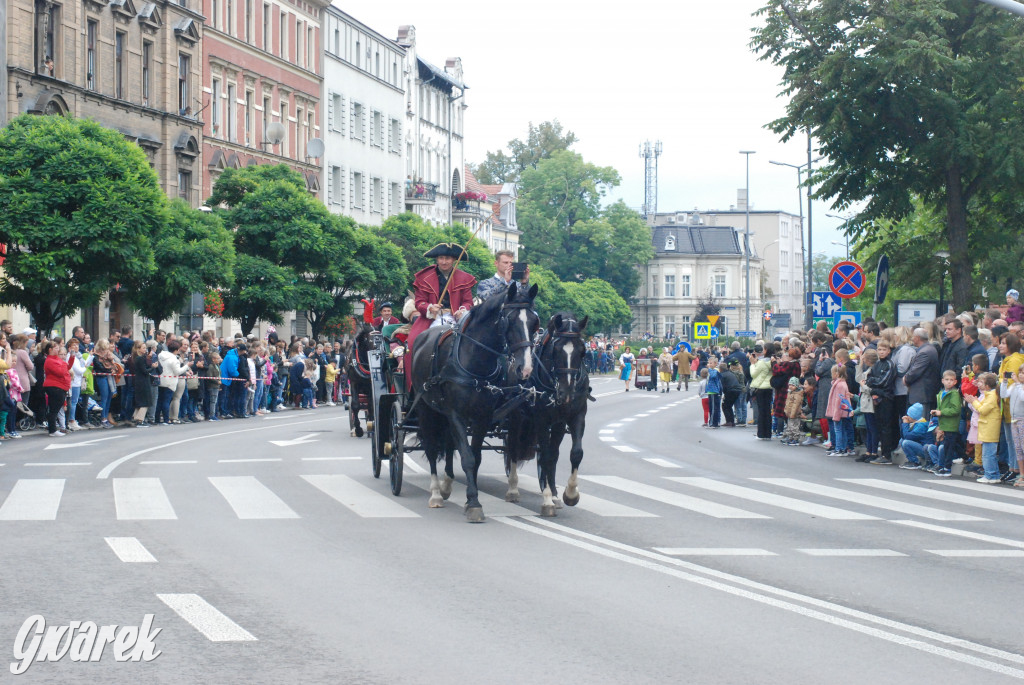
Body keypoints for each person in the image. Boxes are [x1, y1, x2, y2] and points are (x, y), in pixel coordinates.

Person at [407, 243, 477, 358]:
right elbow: (419, 302)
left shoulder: (464, 278)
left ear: (454, 259)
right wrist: (429, 307)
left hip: (457, 317)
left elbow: (468, 302)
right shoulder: (424, 277)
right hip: (431, 318)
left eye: (447, 258)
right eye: (441, 258)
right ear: (437, 259)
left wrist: (462, 310)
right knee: (412, 343)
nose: (444, 262)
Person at [963, 372, 1002, 483]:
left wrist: (974, 402)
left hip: (989, 428)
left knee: (988, 454)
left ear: (987, 385)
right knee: (989, 454)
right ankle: (994, 475)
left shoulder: (992, 396)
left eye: (982, 383)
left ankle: (990, 475)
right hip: (987, 427)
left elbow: (983, 410)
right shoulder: (990, 395)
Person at [867, 340, 898, 465]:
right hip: (877, 398)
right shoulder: (877, 364)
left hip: (886, 398)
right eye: (879, 349)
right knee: (879, 426)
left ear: (889, 351)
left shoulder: (890, 364)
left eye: (884, 350)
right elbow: (869, 379)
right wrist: (873, 385)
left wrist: (873, 386)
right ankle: (882, 453)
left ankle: (887, 455)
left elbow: (883, 382)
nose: (881, 352)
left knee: (886, 427)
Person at [927, 370, 962, 477]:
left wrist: (941, 412)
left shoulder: (954, 394)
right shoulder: (941, 393)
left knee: (949, 447)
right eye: (947, 380)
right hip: (944, 424)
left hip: (951, 424)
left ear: (955, 381)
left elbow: (956, 409)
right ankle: (944, 465)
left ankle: (947, 468)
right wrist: (936, 411)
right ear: (942, 381)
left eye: (951, 380)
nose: (949, 382)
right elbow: (940, 407)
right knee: (947, 446)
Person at [1001, 365, 1024, 487]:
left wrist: (1018, 384)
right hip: (1014, 420)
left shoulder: (1020, 386)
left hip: (1023, 420)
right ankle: (1022, 474)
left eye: (1023, 373)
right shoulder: (1015, 385)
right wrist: (1004, 382)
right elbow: (1004, 394)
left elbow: (1022, 397)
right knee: (1018, 448)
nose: (1020, 375)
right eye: (1019, 372)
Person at [826, 364, 853, 456]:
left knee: (838, 430)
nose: (831, 375)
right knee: (842, 430)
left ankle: (839, 449)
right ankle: (843, 448)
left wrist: (836, 414)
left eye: (832, 373)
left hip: (839, 411)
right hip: (842, 411)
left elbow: (839, 400)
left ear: (837, 374)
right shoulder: (841, 384)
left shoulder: (839, 385)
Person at [897, 403, 933, 469]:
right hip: (920, 446)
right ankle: (912, 460)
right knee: (902, 441)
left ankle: (915, 462)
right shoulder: (915, 423)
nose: (907, 417)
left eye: (908, 415)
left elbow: (907, 436)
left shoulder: (922, 425)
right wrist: (904, 425)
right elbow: (904, 436)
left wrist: (905, 424)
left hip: (926, 451)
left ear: (913, 416)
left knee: (906, 443)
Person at [749, 346, 773, 440]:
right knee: (768, 411)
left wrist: (752, 364)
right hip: (769, 387)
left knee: (761, 412)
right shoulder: (772, 361)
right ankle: (768, 433)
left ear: (766, 350)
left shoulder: (762, 362)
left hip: (761, 387)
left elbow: (753, 374)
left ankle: (761, 433)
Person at [781, 376, 805, 445]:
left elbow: (796, 405)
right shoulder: (790, 393)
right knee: (789, 426)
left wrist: (793, 413)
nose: (791, 386)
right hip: (789, 413)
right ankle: (790, 437)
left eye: (793, 385)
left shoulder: (797, 394)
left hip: (794, 414)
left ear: (796, 386)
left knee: (794, 426)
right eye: (790, 385)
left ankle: (796, 438)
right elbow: (788, 403)